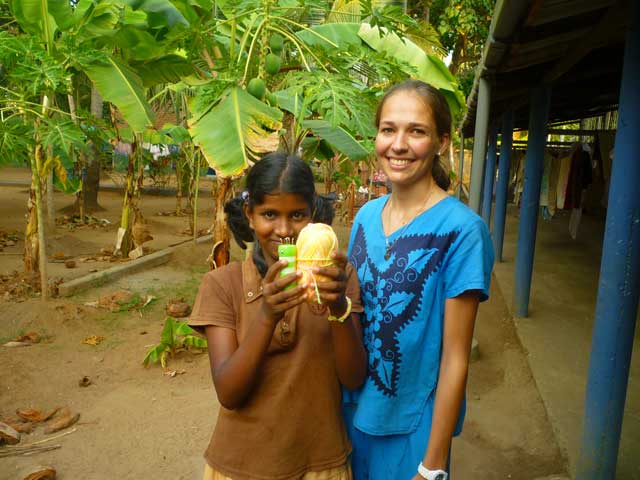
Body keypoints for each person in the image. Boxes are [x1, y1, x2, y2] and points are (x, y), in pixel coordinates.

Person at [345, 80, 494, 480]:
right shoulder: (364, 218)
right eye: (388, 129)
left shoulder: (462, 231)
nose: (398, 145)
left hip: (412, 429)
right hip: (349, 415)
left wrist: (433, 465)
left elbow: (456, 357)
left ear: (442, 142)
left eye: (416, 131)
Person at [189, 152, 366, 480]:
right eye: (269, 214)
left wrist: (338, 307)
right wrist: (268, 315)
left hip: (321, 463)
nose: (284, 230)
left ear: (313, 215)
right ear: (250, 215)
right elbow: (229, 393)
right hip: (239, 467)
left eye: (297, 215)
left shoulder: (338, 279)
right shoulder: (222, 284)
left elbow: (353, 377)